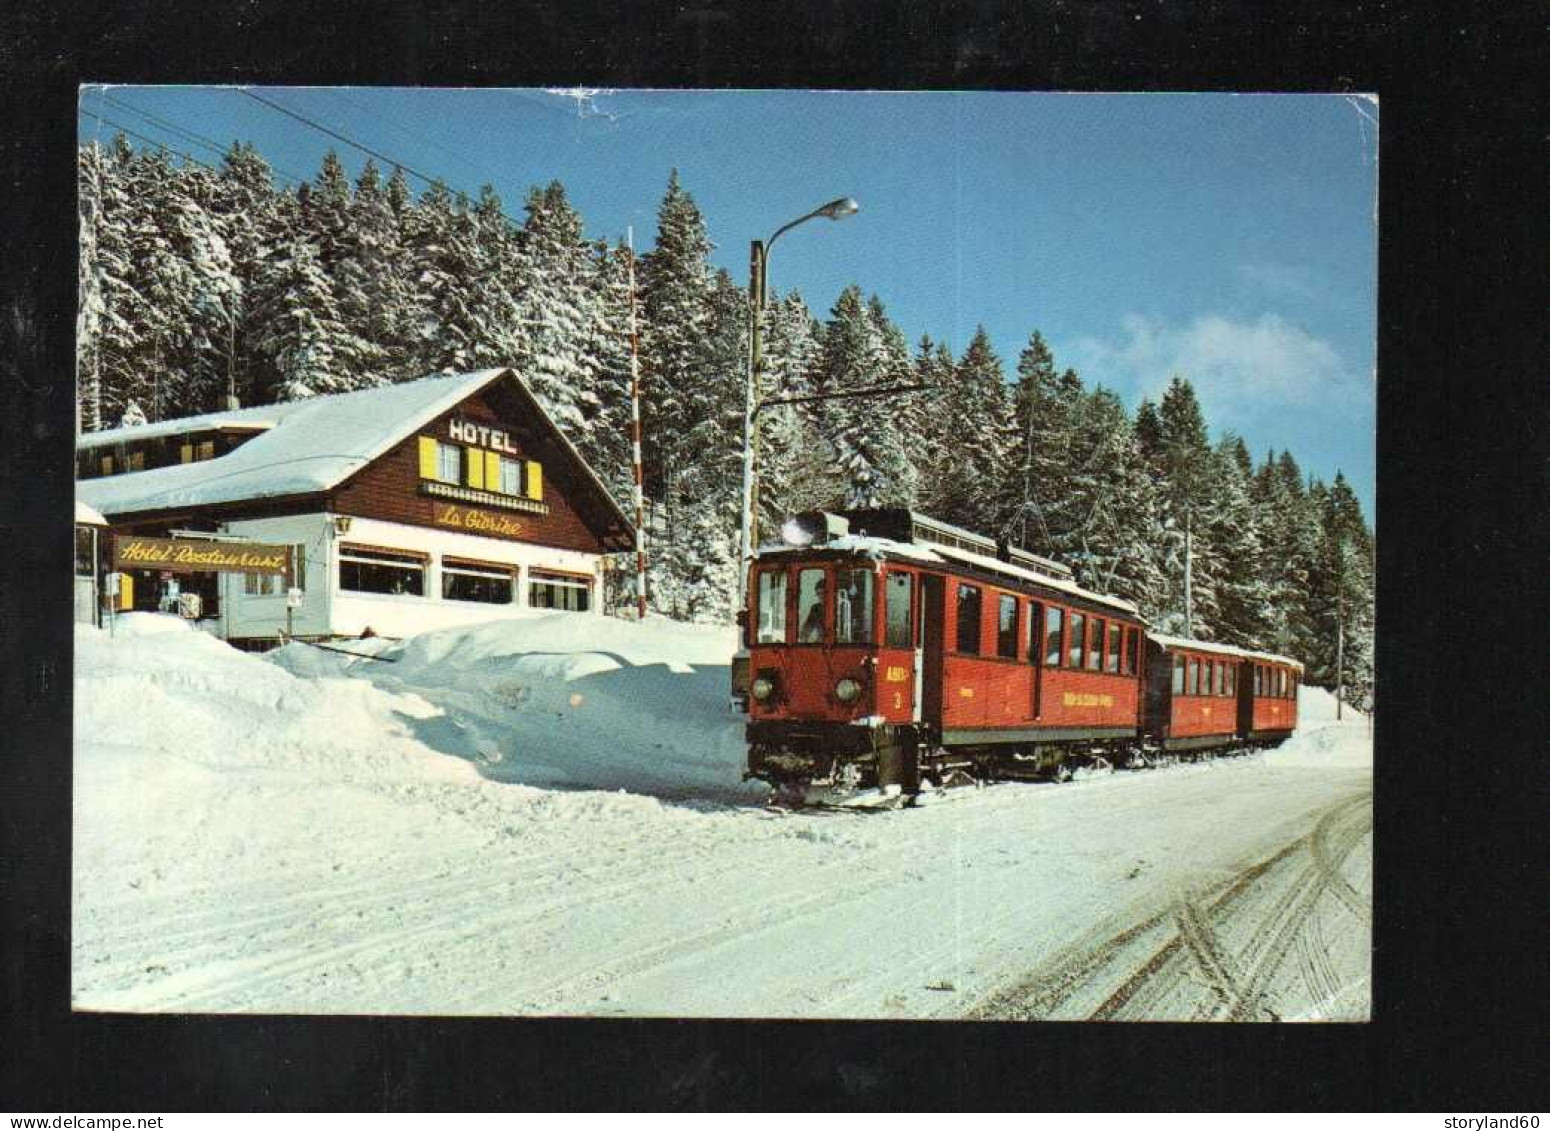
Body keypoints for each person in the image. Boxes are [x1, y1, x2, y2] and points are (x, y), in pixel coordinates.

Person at [798, 576, 826, 643]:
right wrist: (803, 638)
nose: (821, 596)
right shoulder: (816, 608)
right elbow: (807, 627)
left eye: (823, 593)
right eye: (818, 593)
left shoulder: (840, 607)